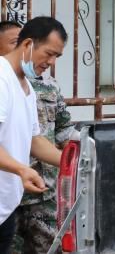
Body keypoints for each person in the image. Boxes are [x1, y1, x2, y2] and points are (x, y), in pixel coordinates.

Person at [0, 21, 77, 253]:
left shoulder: (27, 87)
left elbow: (34, 141)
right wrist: (22, 169)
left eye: (57, 57)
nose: (51, 63)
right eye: (49, 54)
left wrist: (72, 163)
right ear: (28, 44)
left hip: (6, 206)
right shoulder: (1, 79)